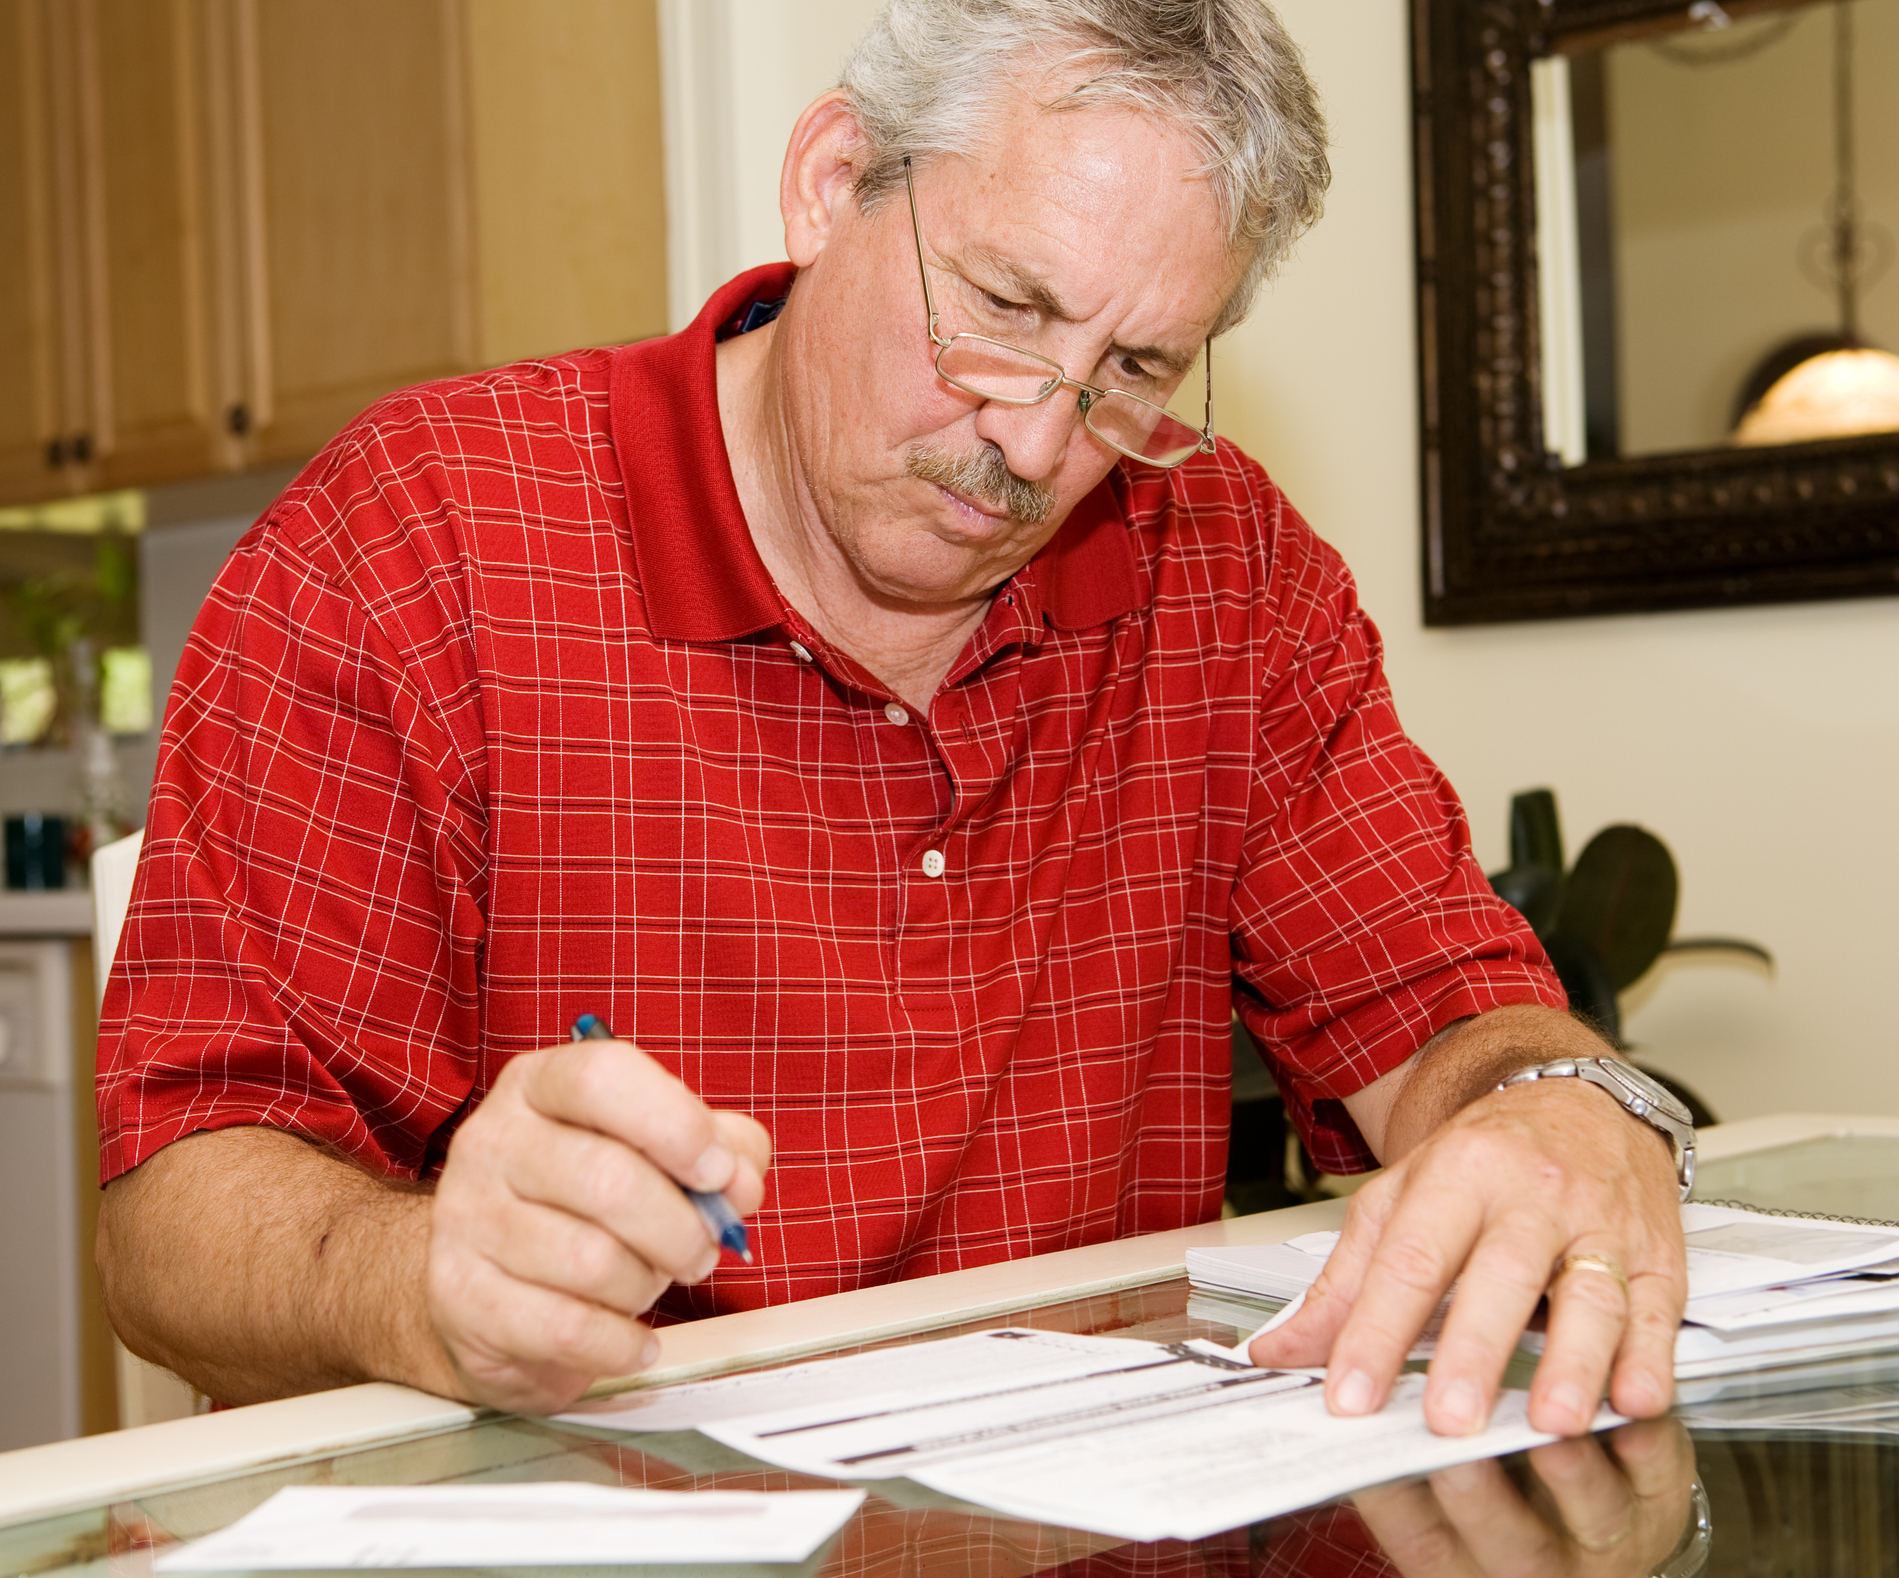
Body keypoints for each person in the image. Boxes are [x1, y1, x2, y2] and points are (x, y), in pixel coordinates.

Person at [95, 0, 1685, 1438]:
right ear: (834, 178)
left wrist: (1557, 1108)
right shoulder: (421, 537)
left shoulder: (1225, 568)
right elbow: (167, 1224)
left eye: (1132, 367)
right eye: (1001, 305)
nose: (1036, 440)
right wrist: (423, 1276)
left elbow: (1446, 1020)